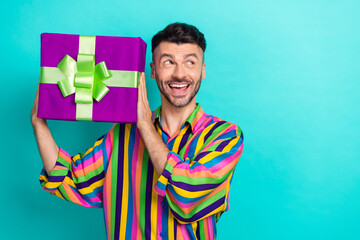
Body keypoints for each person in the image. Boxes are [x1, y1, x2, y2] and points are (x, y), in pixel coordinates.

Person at [31, 22, 244, 240]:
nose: (180, 74)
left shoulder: (225, 135)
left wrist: (144, 125)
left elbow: (187, 196)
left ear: (202, 71)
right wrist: (38, 124)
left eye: (190, 62)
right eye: (168, 62)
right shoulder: (122, 135)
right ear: (152, 70)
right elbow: (70, 179)